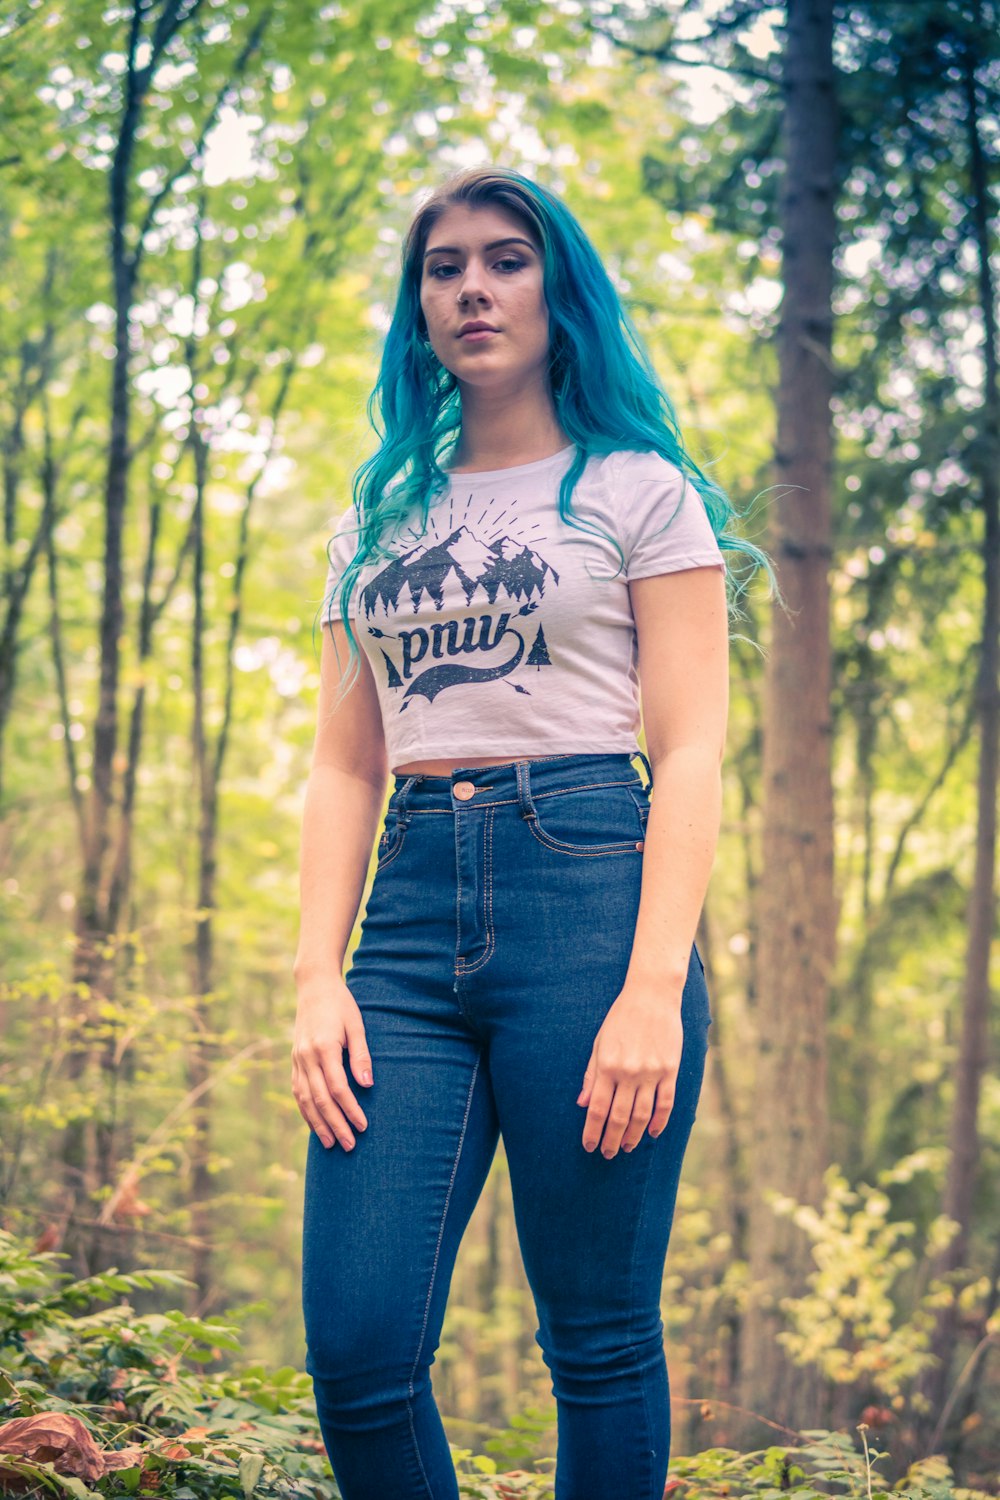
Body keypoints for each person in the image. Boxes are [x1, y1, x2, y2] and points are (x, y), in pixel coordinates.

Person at [293, 165, 761, 1500]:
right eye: (444, 268)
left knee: (598, 1339)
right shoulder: (377, 521)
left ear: (557, 292)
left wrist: (652, 991)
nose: (473, 288)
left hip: (591, 892)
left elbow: (690, 748)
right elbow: (342, 766)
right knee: (361, 1350)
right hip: (407, 916)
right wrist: (317, 975)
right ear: (418, 308)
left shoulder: (637, 490)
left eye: (505, 259)